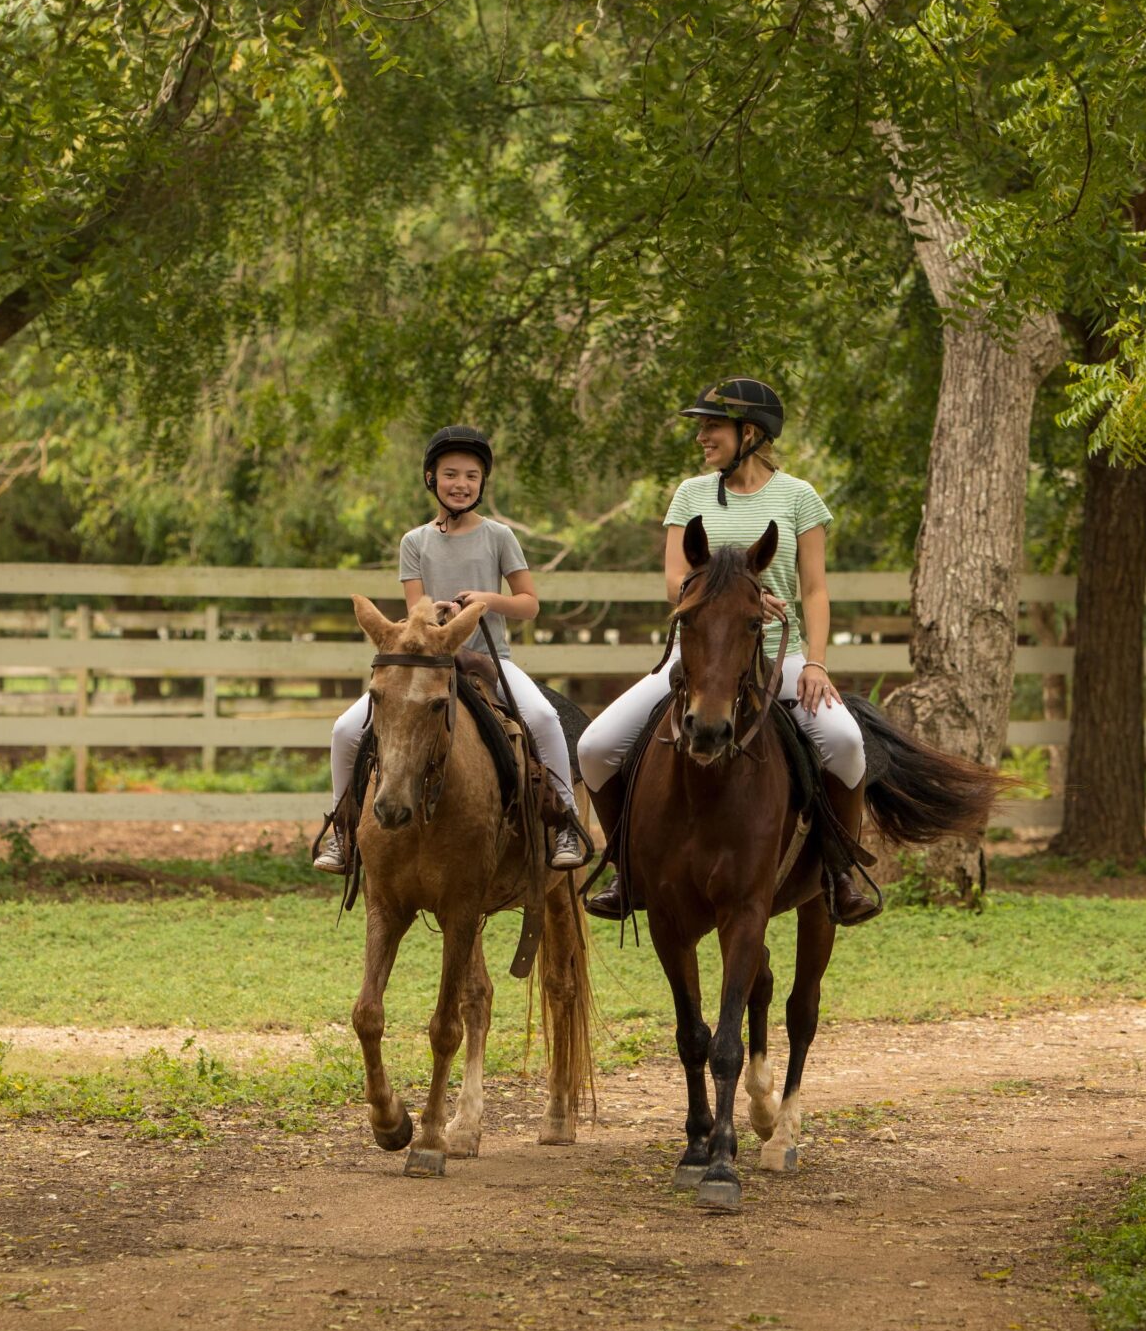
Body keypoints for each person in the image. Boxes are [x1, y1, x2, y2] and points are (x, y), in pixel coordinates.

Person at [577, 378, 878, 925]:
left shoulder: (799, 497)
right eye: (701, 427)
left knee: (846, 743)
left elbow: (814, 589)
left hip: (776, 659)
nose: (701, 437)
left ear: (749, 433)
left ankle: (838, 872)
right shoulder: (690, 495)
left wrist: (815, 662)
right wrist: (735, 595)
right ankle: (626, 867)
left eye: (711, 427)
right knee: (596, 747)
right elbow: (674, 581)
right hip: (694, 660)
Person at [314, 426, 589, 874]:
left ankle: (565, 823)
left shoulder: (499, 536)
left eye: (472, 476)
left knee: (542, 717)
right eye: (451, 475)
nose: (461, 484)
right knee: (346, 730)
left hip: (491, 660)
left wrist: (485, 600)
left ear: (482, 484)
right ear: (431, 479)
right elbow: (414, 615)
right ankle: (343, 832)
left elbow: (529, 604)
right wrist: (436, 612)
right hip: (430, 664)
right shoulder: (414, 542)